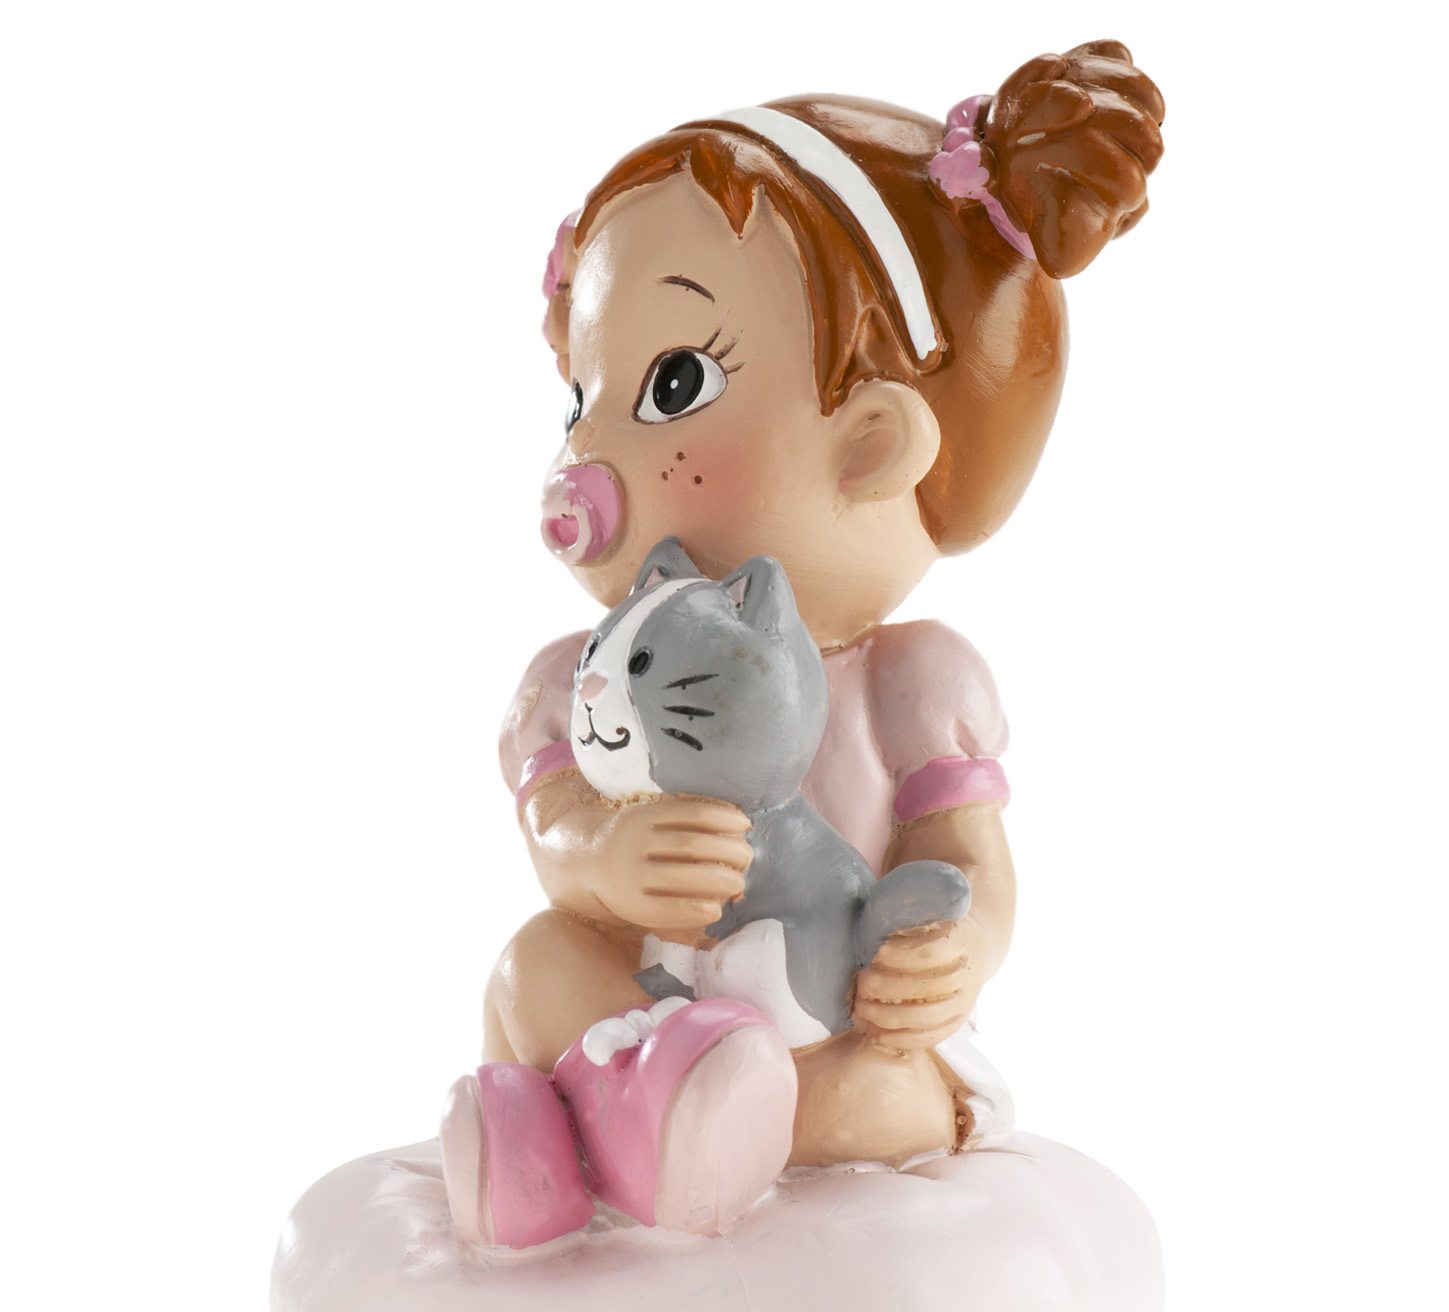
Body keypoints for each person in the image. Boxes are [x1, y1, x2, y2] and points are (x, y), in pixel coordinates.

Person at [441, 42, 1166, 1245]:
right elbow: (554, 829)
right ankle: (619, 1132)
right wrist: (607, 859)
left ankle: (600, 1146)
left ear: (874, 442)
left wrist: (955, 948)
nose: (585, 453)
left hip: (820, 1029)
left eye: (672, 385)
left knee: (876, 1095)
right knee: (536, 967)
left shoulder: (909, 683)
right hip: (646, 1006)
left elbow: (965, 857)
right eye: (581, 398)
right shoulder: (578, 680)